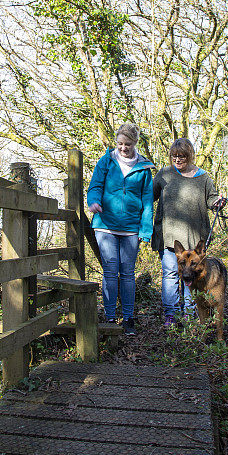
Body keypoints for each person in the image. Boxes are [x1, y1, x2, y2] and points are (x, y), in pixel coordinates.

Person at [87, 123, 154, 335]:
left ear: (135, 143)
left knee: (127, 273)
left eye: (127, 144)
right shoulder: (106, 161)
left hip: (131, 228)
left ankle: (128, 318)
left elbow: (147, 200)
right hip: (105, 225)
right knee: (109, 271)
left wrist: (145, 229)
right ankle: (109, 317)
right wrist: (94, 201)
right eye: (120, 143)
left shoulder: (143, 168)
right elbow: (95, 185)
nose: (123, 148)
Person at [152, 138, 225, 329]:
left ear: (190, 156)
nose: (177, 159)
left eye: (182, 156)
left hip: (194, 239)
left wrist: (219, 202)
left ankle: (191, 315)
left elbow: (212, 199)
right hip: (169, 236)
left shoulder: (203, 177)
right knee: (170, 275)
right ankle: (171, 316)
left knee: (191, 277)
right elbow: (148, 196)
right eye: (174, 156)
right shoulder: (165, 174)